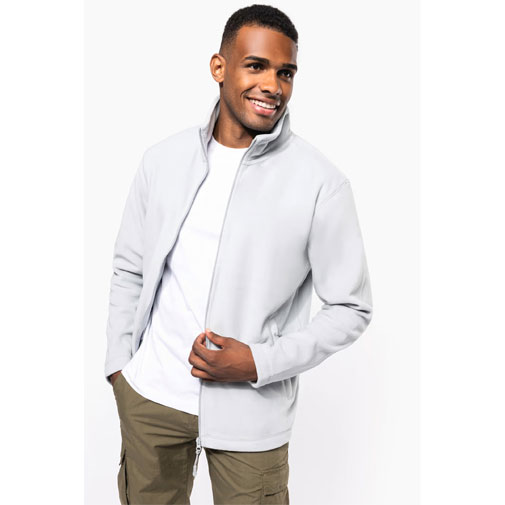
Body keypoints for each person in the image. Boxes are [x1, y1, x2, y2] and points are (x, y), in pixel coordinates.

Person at [104, 4, 373, 504]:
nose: (272, 85)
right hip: (151, 400)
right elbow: (130, 267)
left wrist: (257, 362)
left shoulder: (321, 184)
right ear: (219, 67)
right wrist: (121, 367)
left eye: (285, 72)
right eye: (256, 66)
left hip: (251, 415)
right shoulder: (162, 160)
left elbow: (350, 308)